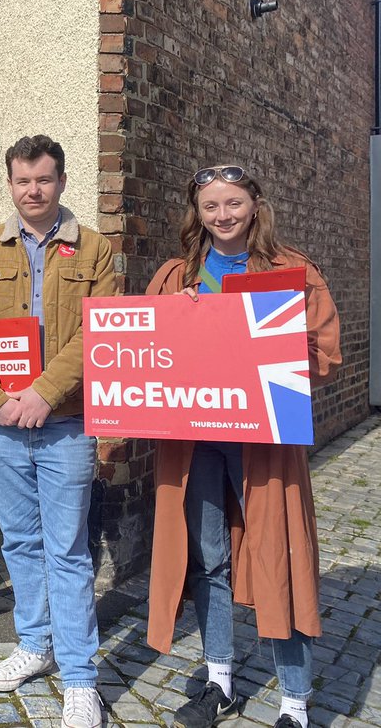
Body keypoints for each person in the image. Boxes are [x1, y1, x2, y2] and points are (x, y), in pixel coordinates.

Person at [144, 165, 341, 728]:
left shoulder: (292, 271)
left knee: (280, 556)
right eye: (211, 206)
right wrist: (173, 315)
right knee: (208, 558)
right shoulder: (177, 273)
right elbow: (149, 346)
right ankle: (221, 677)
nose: (222, 215)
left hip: (265, 446)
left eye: (233, 203)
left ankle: (296, 703)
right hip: (195, 442)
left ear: (255, 205)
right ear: (197, 213)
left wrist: (274, 339)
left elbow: (324, 354)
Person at [0, 134, 112, 728]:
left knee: (68, 551)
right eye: (22, 181)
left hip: (66, 423)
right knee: (20, 542)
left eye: (43, 180)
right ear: (11, 184)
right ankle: (34, 643)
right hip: (1, 424)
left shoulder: (94, 250)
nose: (32, 191)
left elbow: (97, 334)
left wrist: (44, 395)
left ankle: (79, 678)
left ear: (62, 181)